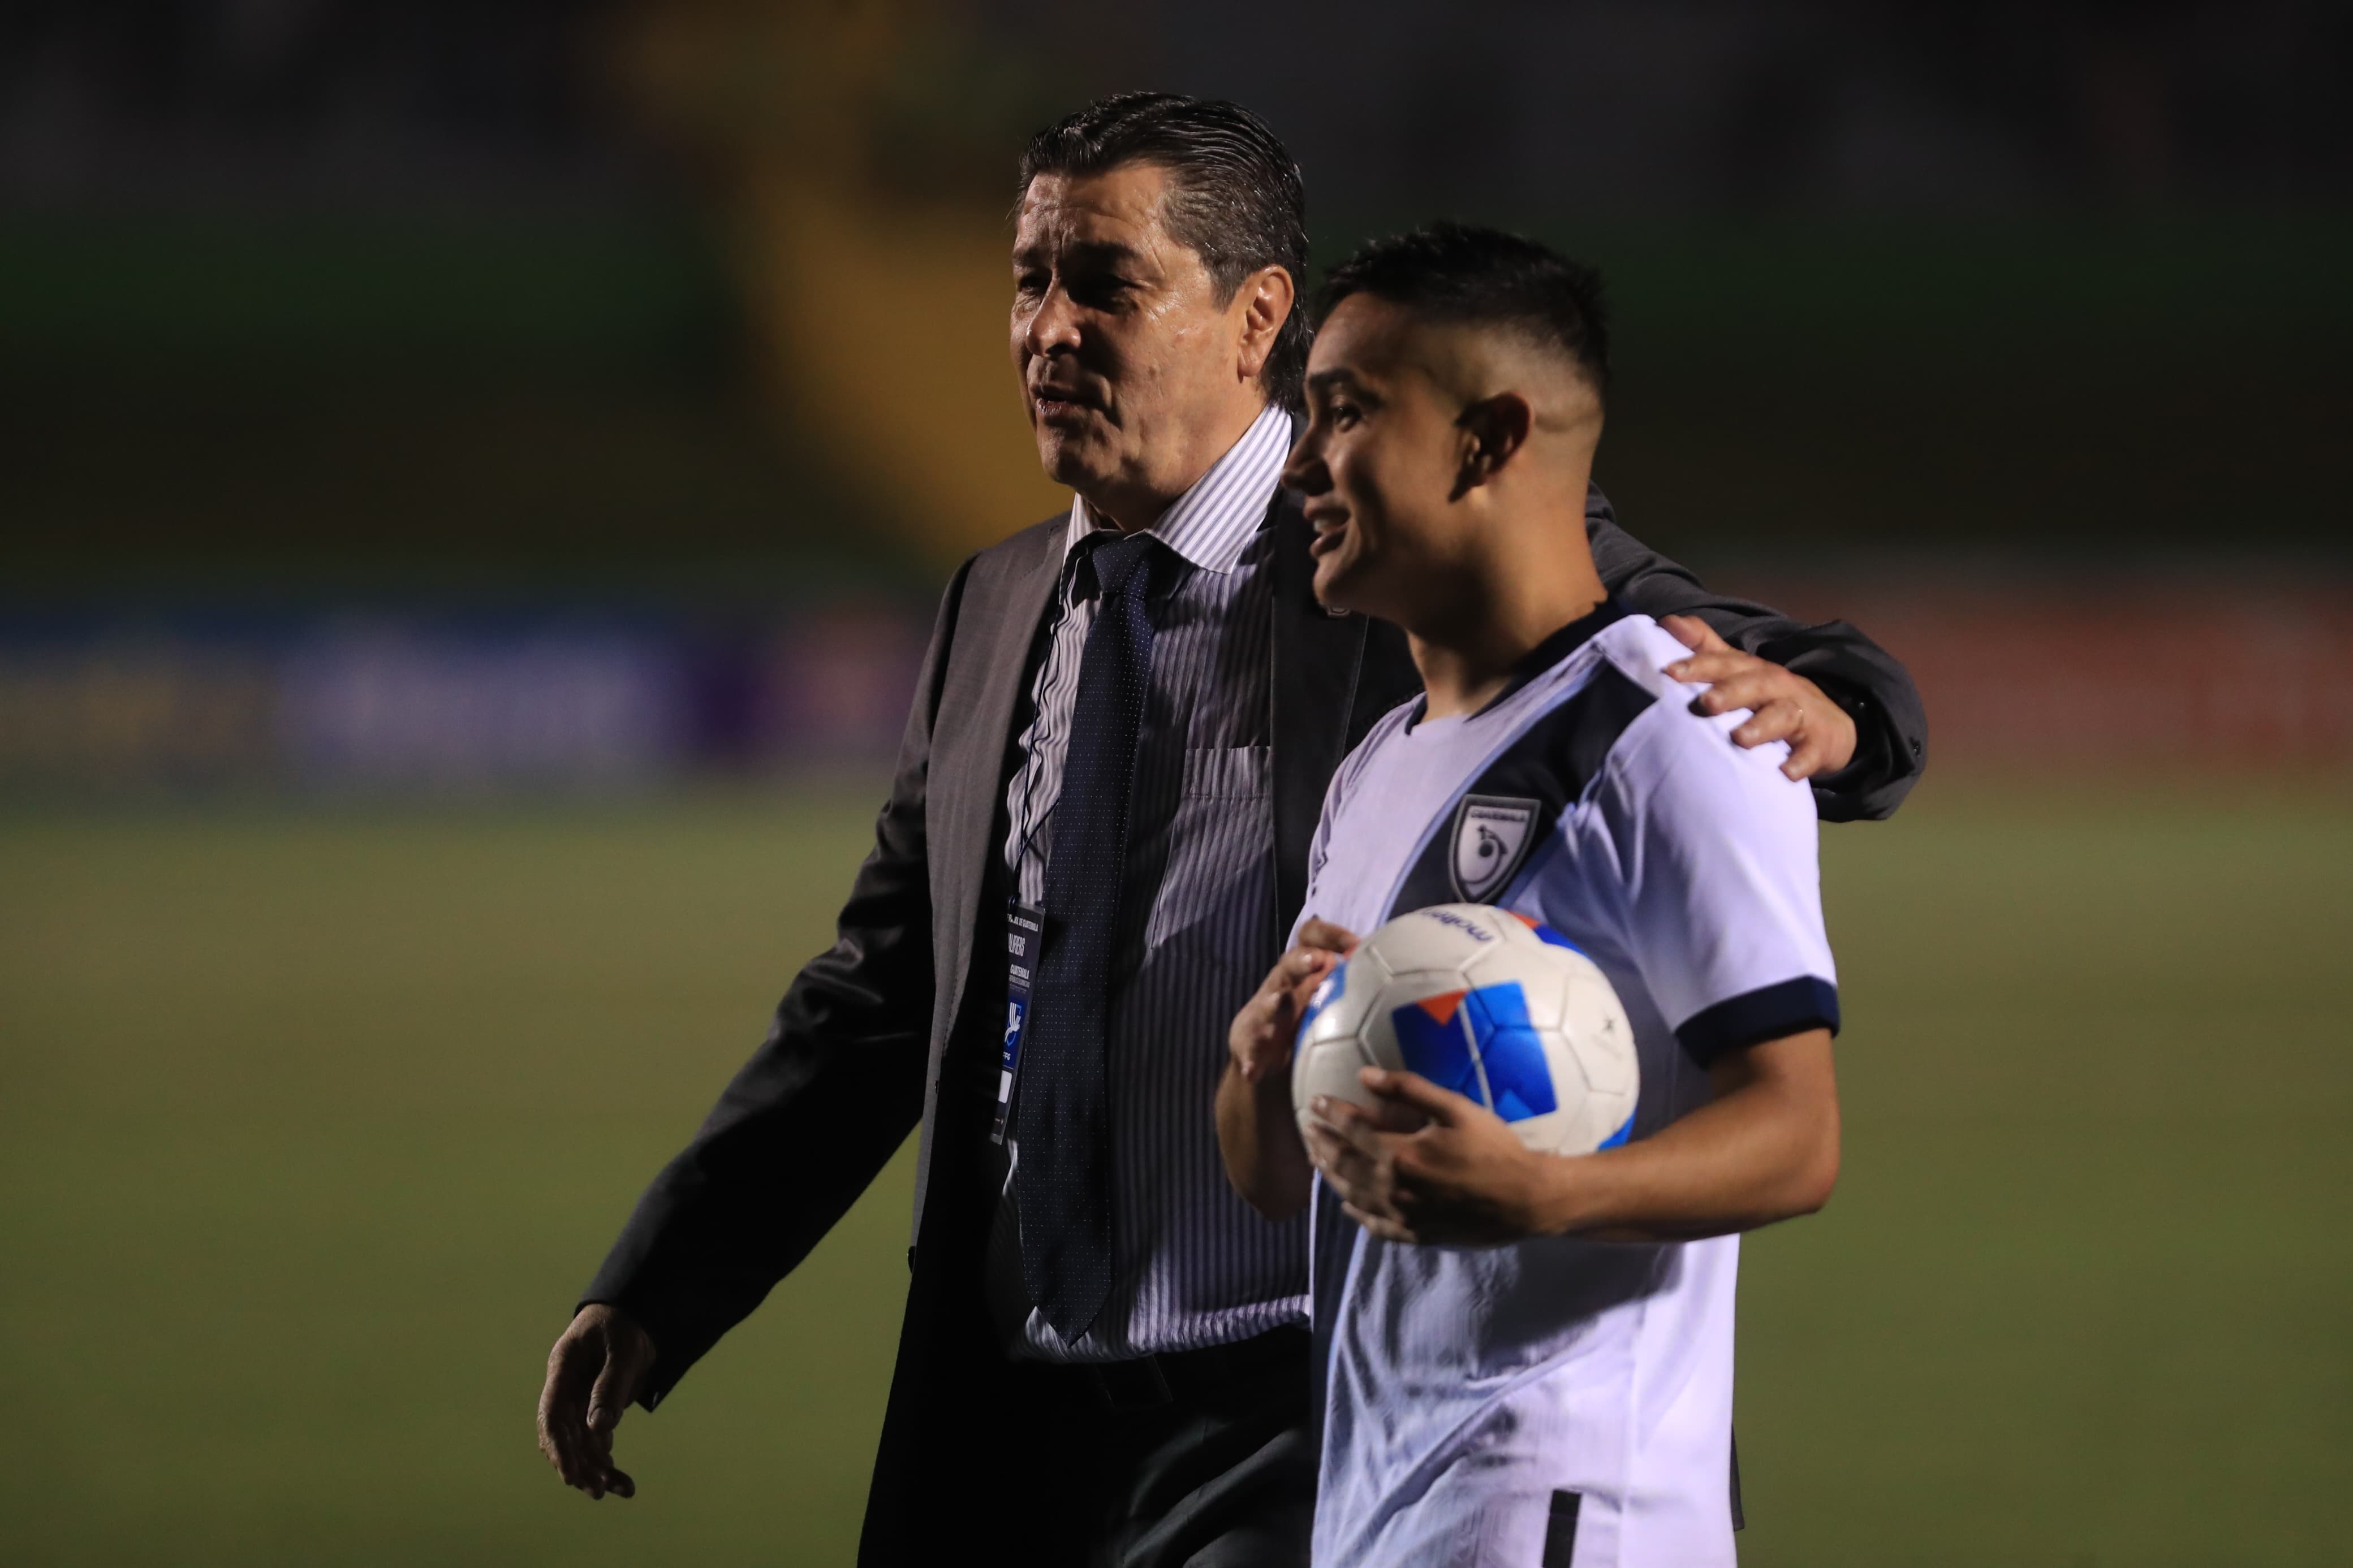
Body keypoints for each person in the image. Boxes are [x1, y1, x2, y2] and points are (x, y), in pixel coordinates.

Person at [537, 94, 1919, 1566]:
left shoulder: (1386, 551)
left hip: (1296, 1414)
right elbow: (881, 994)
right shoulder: (994, 604)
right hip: (1008, 1404)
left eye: (1104, 283)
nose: (1049, 329)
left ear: (1256, 314)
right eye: (1029, 279)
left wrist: (1835, 706)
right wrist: (664, 1279)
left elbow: (1645, 636)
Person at [1218, 222, 1845, 1567]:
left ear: (1489, 438)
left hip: (1559, 1497)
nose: (1301, 462)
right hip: (1378, 1501)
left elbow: (1798, 1136)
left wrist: (1547, 1193)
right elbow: (1275, 1181)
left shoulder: (1677, 731)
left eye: (1345, 412)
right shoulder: (1379, 766)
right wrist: (1258, 1069)